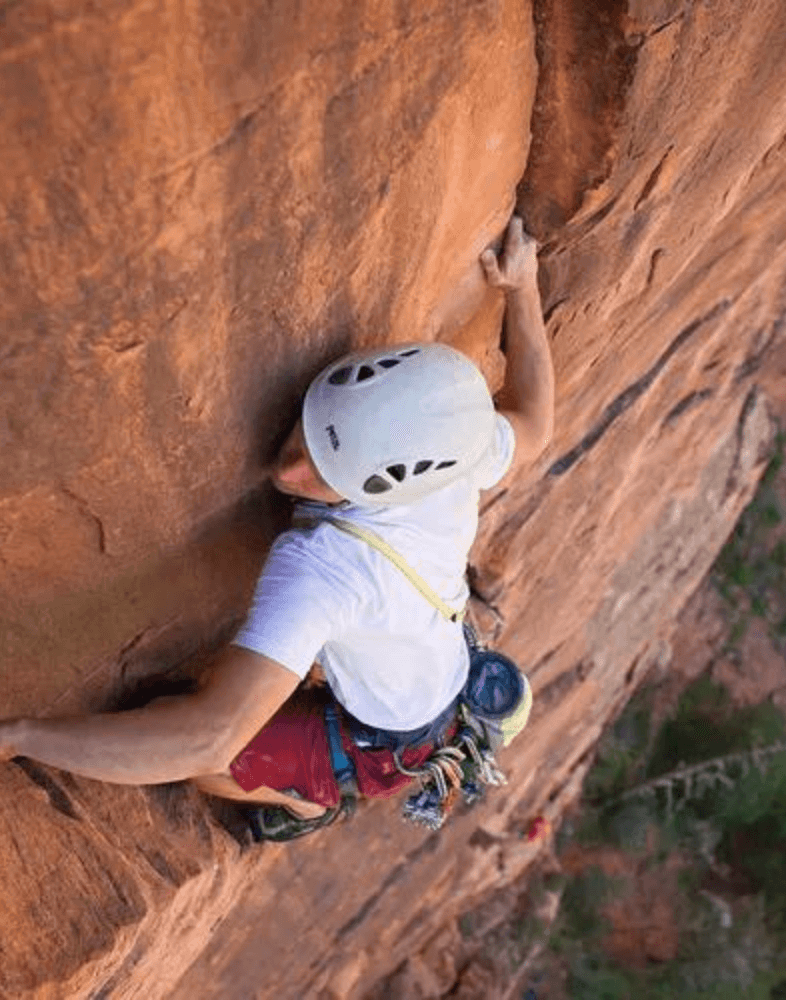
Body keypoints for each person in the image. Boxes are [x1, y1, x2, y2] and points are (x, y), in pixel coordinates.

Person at [0, 215, 554, 840]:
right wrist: (521, 287)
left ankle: (307, 804)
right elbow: (535, 423)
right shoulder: (445, 441)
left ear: (389, 482)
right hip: (430, 658)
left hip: (385, 733)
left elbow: (208, 738)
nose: (289, 469)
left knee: (202, 760)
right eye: (310, 434)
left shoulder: (324, 570)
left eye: (325, 472)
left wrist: (22, 736)